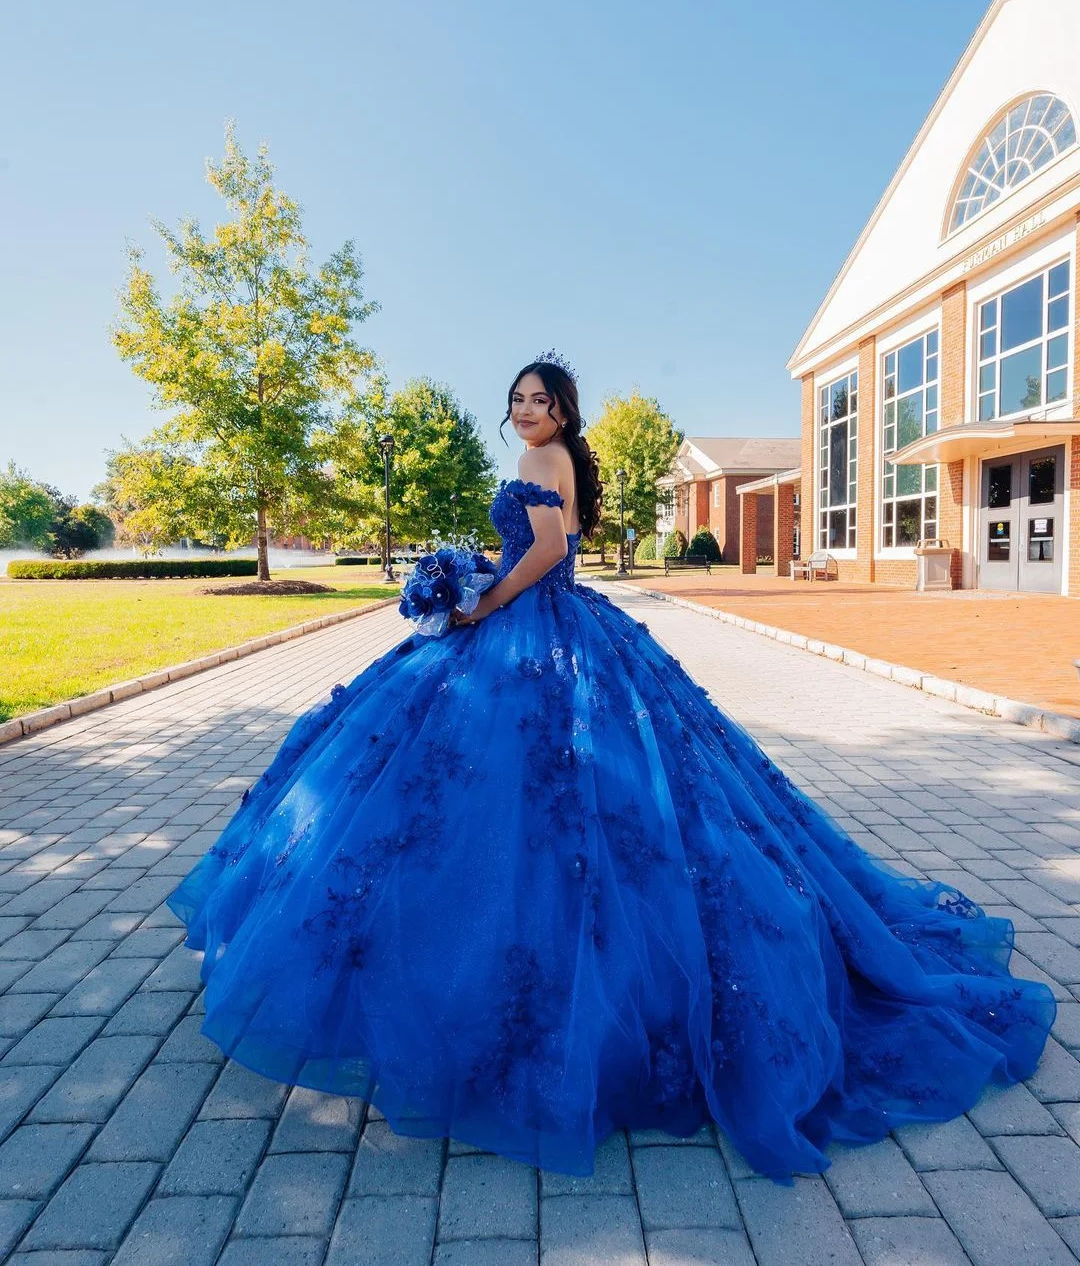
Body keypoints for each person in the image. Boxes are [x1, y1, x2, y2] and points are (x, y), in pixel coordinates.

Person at [166, 352, 1055, 1183]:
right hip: (557, 623)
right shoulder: (553, 461)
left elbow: (549, 552)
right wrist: (476, 577)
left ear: (563, 412)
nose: (526, 410)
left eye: (540, 400)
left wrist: (483, 600)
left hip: (531, 628)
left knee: (506, 800)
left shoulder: (542, 462)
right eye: (518, 399)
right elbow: (545, 542)